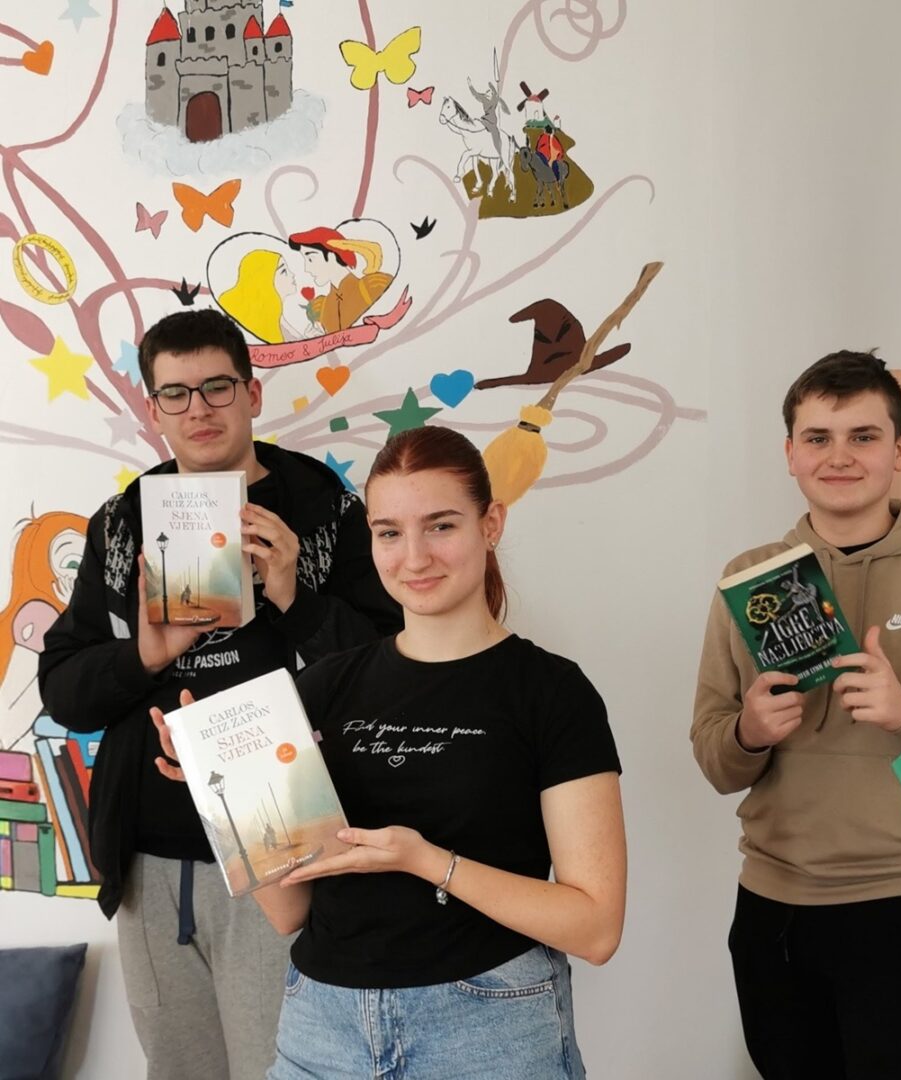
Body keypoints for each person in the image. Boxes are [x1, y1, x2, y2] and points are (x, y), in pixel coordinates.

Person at [154, 424, 626, 1079]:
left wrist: (426, 861)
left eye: (441, 526)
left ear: (490, 524)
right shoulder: (321, 687)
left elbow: (596, 928)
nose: (414, 558)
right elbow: (289, 912)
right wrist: (227, 792)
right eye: (389, 533)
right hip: (322, 1031)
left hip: (488, 1029)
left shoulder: (551, 692)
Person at [39, 309, 403, 1080]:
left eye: (216, 387)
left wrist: (294, 595)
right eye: (175, 393)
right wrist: (145, 654)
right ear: (153, 408)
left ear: (252, 393)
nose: (197, 409)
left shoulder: (325, 510)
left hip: (288, 845)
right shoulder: (122, 523)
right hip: (149, 855)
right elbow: (65, 690)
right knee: (178, 1068)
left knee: (284, 1065)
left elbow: (393, 676)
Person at [691, 350, 901, 1079]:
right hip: (774, 908)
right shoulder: (749, 578)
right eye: (817, 437)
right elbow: (715, 761)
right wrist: (750, 732)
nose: (839, 456)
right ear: (790, 453)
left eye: (863, 436)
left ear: (900, 450)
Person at [287, 226, 394, 334]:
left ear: (332, 255)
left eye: (310, 259)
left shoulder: (373, 286)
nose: (306, 268)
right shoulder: (321, 308)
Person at [218, 250, 305, 345]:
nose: (292, 274)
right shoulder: (258, 321)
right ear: (265, 280)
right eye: (284, 271)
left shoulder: (277, 316)